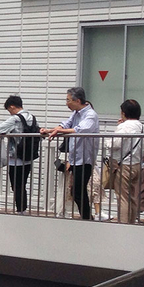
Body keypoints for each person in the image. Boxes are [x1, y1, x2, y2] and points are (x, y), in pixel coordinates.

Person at [43, 87, 99, 220]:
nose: (66, 103)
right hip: (75, 158)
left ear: (77, 100)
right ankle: (87, 217)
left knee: (78, 190)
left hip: (85, 159)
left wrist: (55, 130)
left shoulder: (90, 115)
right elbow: (66, 124)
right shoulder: (76, 113)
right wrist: (54, 129)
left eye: (68, 100)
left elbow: (80, 129)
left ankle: (87, 218)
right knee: (77, 190)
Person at [0, 95, 38, 213]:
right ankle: (23, 209)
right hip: (28, 156)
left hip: (16, 157)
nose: (10, 113)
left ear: (12, 107)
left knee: (16, 185)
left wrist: (7, 132)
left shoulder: (15, 119)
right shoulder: (32, 117)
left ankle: (20, 210)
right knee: (22, 184)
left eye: (9, 110)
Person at [108, 99, 144, 224]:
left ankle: (123, 224)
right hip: (137, 164)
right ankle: (132, 221)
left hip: (124, 165)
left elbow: (115, 143)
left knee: (123, 197)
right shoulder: (142, 127)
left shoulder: (124, 126)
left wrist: (108, 141)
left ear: (124, 113)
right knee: (132, 197)